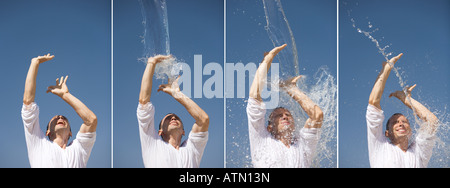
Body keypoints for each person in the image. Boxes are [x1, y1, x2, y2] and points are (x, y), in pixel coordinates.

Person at [247, 44, 323, 168]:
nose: (285, 117)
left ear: (293, 124)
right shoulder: (262, 140)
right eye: (278, 116)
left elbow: (317, 115)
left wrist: (292, 90)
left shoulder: (303, 146)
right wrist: (268, 59)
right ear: (269, 127)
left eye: (288, 115)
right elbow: (254, 96)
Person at [22, 54, 97, 168]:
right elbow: (28, 102)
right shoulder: (38, 143)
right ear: (47, 132)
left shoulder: (79, 149)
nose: (60, 117)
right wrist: (35, 63)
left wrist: (66, 95)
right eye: (56, 118)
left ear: (71, 133)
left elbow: (91, 120)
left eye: (63, 118)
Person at [367, 53, 439, 168]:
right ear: (387, 133)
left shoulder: (419, 152)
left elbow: (432, 121)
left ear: (410, 130)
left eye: (404, 122)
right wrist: (386, 70)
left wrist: (407, 99)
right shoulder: (380, 146)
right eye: (395, 122)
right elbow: (373, 103)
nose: (400, 124)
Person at [137, 55, 210, 168]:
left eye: (176, 118)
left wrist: (177, 94)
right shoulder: (152, 143)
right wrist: (151, 63)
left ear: (183, 132)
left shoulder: (192, 149)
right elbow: (143, 101)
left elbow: (203, 120)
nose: (173, 118)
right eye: (168, 118)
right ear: (160, 131)